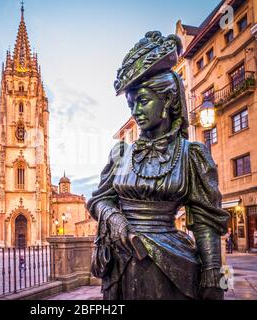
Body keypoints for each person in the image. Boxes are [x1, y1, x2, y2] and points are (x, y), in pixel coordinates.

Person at [87, 31, 230, 300]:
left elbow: (204, 220)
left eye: (143, 101)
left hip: (171, 265)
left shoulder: (191, 154)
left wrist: (212, 271)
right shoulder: (121, 153)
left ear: (168, 101)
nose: (135, 112)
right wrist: (116, 220)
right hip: (121, 263)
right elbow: (98, 200)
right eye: (131, 104)